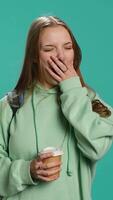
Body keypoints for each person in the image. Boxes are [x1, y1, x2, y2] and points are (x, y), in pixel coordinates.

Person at [0, 16, 113, 200]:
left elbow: (97, 147)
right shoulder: (11, 105)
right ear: (35, 57)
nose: (61, 56)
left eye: (67, 47)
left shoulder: (91, 102)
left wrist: (72, 89)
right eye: (49, 49)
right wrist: (27, 170)